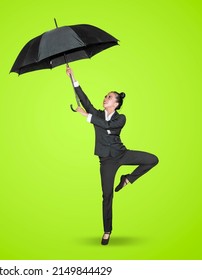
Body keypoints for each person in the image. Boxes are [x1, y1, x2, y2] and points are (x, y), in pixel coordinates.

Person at [66, 65, 158, 245]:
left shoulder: (120, 118)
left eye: (108, 97)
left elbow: (107, 126)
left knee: (152, 160)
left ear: (115, 103)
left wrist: (86, 116)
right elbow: (85, 101)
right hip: (106, 161)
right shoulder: (98, 114)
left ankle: (128, 179)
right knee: (107, 195)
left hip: (121, 154)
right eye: (105, 96)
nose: (105, 98)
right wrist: (73, 78)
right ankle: (107, 230)